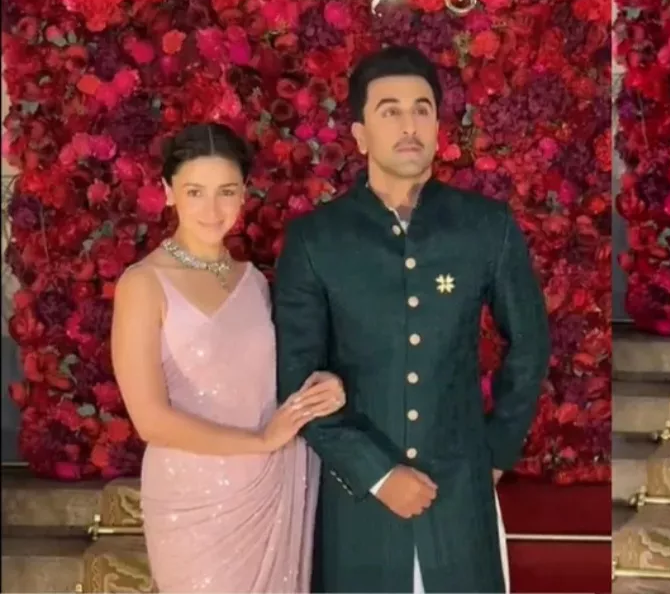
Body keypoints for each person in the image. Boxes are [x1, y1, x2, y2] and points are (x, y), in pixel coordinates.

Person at [273, 45, 551, 593]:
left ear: (438, 126)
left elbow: (530, 342)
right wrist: (376, 474)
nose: (409, 125)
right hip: (360, 501)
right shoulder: (316, 239)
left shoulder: (484, 225)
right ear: (360, 135)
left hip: (460, 490)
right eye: (390, 111)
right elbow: (297, 381)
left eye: (422, 109)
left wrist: (495, 452)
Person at [111, 123, 346, 592]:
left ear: (244, 193)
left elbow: (268, 379)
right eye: (195, 192)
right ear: (168, 192)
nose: (212, 209)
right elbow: (150, 421)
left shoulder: (254, 281)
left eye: (226, 191)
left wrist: (325, 384)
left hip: (272, 479)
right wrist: (259, 441)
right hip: (193, 500)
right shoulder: (143, 284)